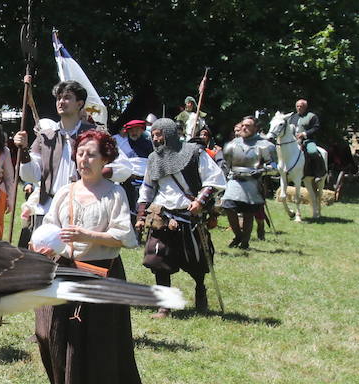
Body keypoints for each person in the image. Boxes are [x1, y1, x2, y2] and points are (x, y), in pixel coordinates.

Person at [31, 129, 143, 384]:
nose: (84, 159)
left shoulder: (114, 193)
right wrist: (43, 246)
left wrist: (85, 235)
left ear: (105, 158)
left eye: (91, 154)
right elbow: (51, 228)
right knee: (49, 331)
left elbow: (125, 237)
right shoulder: (66, 192)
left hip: (102, 272)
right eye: (80, 153)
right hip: (65, 270)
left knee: (98, 339)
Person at [12, 80, 133, 243]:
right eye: (59, 98)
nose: (61, 102)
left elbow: (124, 168)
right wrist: (24, 150)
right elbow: (31, 175)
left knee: (76, 264)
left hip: (82, 210)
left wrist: (92, 175)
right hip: (47, 208)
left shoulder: (96, 134)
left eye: (67, 97)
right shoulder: (46, 136)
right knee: (41, 261)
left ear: (80, 104)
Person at [135, 117, 225, 317]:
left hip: (189, 215)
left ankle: (200, 289)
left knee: (196, 261)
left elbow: (214, 179)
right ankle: (164, 305)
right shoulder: (153, 158)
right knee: (158, 259)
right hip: (163, 216)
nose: (155, 139)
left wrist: (200, 201)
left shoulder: (193, 153)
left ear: (169, 135)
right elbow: (147, 188)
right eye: (154, 135)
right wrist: (142, 214)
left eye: (159, 135)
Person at [220, 116, 275, 250]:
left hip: (252, 181)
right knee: (228, 206)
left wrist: (262, 170)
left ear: (255, 128)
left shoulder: (265, 145)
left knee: (248, 213)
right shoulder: (233, 144)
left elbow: (275, 166)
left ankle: (245, 242)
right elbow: (226, 165)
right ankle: (238, 235)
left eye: (248, 126)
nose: (244, 128)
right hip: (235, 180)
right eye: (243, 125)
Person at [112, 118, 151, 213]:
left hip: (146, 183)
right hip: (128, 183)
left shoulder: (150, 145)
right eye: (131, 130)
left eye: (137, 130)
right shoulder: (121, 145)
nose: (134, 132)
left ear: (142, 130)